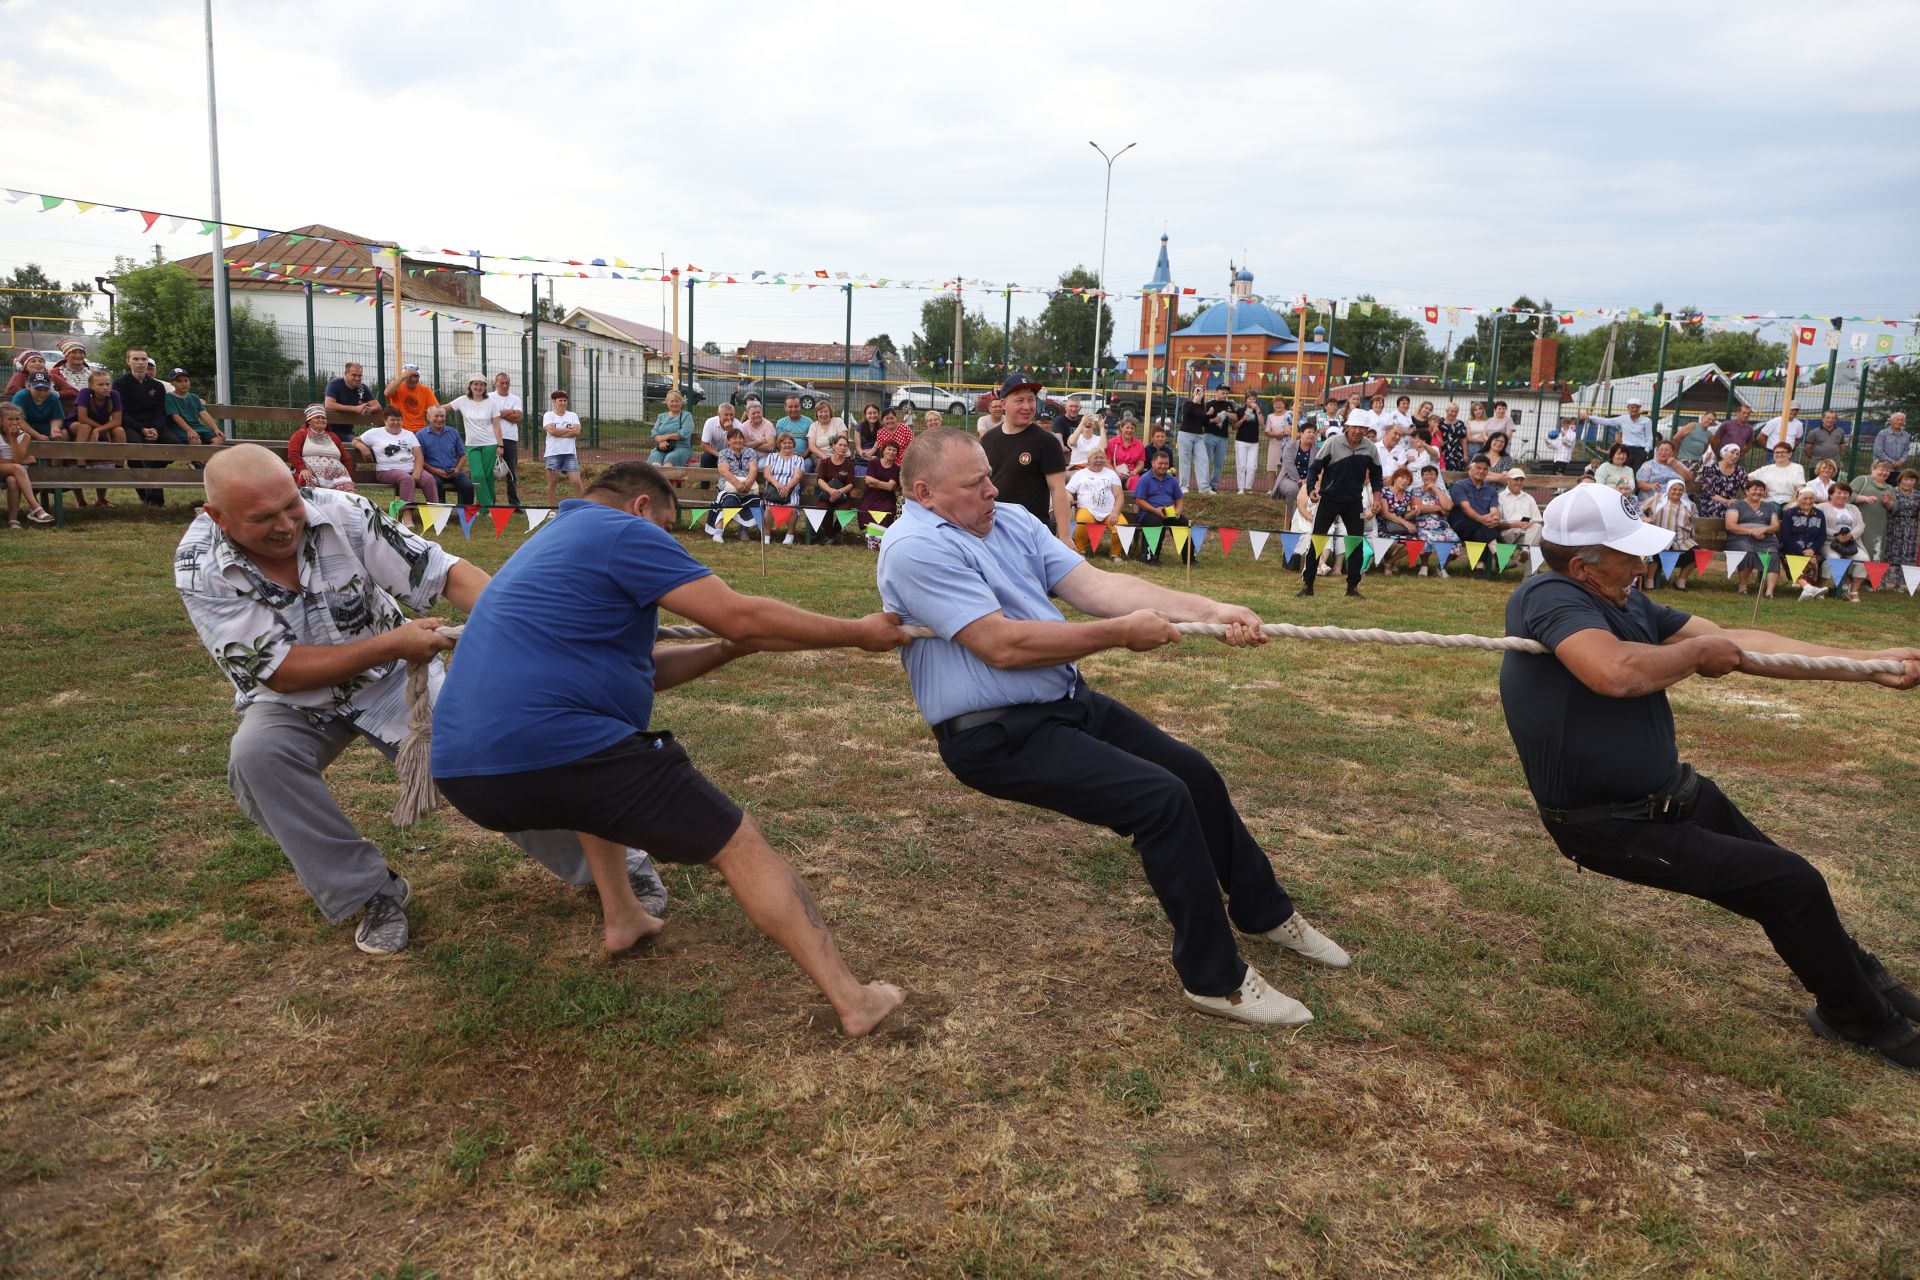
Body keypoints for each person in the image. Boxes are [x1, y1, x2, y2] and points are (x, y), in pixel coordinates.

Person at [876, 427, 1349, 1025]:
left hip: (1065, 700)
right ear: (924, 492)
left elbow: (1098, 587)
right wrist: (1118, 635)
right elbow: (1002, 646)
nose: (993, 490)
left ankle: (1265, 912)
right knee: (1160, 800)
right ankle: (1216, 981)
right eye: (976, 484)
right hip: (993, 736)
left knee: (1192, 773)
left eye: (990, 476)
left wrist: (1211, 610)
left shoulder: (1012, 520)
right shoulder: (914, 548)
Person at [428, 458, 909, 1032]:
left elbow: (646, 672)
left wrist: (727, 650)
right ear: (641, 508)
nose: (667, 549)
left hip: (467, 772)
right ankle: (855, 1002)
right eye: (667, 530)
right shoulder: (623, 531)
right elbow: (741, 614)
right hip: (552, 745)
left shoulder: (549, 544)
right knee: (737, 842)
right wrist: (859, 633)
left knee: (599, 774)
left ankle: (623, 916)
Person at [177, 444, 672, 957]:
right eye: (263, 518)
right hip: (296, 698)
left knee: (488, 762)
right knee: (257, 760)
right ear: (217, 516)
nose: (286, 524)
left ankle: (618, 869)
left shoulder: (343, 511)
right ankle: (369, 893)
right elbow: (277, 672)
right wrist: (394, 642)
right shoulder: (200, 567)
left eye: (291, 505)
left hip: (395, 681)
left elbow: (441, 572)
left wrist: (523, 619)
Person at [1499, 482, 1920, 1071]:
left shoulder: (1627, 602)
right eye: (1630, 554)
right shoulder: (1549, 595)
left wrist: (1864, 666)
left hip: (1673, 796)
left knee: (1792, 889)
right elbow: (1612, 672)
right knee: (1791, 883)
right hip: (1611, 825)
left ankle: (1867, 984)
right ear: (1581, 565)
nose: (1645, 563)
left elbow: (1740, 642)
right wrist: (1698, 658)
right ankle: (1858, 1016)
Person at [980, 373, 1071, 545]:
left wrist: (1065, 536)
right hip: (994, 528)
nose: (1027, 406)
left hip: (1031, 532)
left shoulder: (1047, 442)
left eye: (1031, 400)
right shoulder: (988, 439)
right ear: (1003, 403)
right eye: (1020, 400)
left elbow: (1058, 489)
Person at [1299, 414, 1382, 598]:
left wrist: (1376, 498)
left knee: (1355, 543)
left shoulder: (1370, 448)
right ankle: (1308, 586)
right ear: (1347, 426)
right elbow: (1314, 468)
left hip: (1354, 502)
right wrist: (1312, 489)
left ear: (1366, 430)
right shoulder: (1333, 442)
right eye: (1355, 427)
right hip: (1329, 499)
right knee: (1317, 541)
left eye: (1362, 428)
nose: (1358, 431)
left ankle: (1352, 588)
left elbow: (1377, 475)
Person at [353, 407, 437, 506]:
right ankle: (406, 515)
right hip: (386, 470)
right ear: (385, 420)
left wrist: (417, 472)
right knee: (406, 479)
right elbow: (356, 440)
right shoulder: (375, 433)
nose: (396, 422)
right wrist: (363, 448)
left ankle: (435, 513)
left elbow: (419, 456)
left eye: (398, 419)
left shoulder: (409, 434)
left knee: (429, 479)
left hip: (410, 469)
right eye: (392, 419)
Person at [69, 370, 124, 508]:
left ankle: (119, 465)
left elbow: (117, 421)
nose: (105, 387)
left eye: (107, 384)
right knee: (85, 427)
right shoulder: (85, 393)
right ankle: (80, 463)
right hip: (77, 425)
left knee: (119, 430)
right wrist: (98, 429)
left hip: (101, 427)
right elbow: (82, 418)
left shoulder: (114, 395)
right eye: (100, 384)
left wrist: (100, 430)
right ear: (91, 385)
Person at [445, 377, 502, 508]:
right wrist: (428, 409)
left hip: (490, 443)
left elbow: (497, 425)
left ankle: (484, 510)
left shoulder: (491, 403)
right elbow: (443, 408)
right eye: (475, 384)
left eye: (482, 385)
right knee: (477, 475)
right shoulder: (462, 400)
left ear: (485, 387)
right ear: (470, 386)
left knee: (488, 476)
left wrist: (500, 444)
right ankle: (489, 507)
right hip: (472, 444)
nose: (478, 387)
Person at [1447, 456, 1505, 578]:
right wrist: (1483, 519)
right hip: (1460, 524)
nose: (1481, 471)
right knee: (1483, 526)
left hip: (1481, 526)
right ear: (1471, 468)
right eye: (1478, 468)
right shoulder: (1459, 486)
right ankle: (1498, 556)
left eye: (1485, 469)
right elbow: (1465, 508)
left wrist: (1495, 519)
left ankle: (1479, 570)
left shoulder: (1492, 491)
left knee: (1482, 531)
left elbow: (1494, 510)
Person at [0, 404, 57, 527]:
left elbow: (17, 459)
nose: (14, 422)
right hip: (8, 469)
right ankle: (36, 508)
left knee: (12, 480)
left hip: (15, 472)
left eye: (17, 419)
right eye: (10, 419)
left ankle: (13, 520)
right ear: (1, 421)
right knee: (18, 467)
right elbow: (18, 462)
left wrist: (13, 439)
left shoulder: (25, 436)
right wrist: (23, 461)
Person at [1724, 479, 1782, 598]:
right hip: (1739, 538)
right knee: (1748, 551)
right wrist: (1751, 532)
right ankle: (1743, 586)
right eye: (1754, 489)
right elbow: (1730, 525)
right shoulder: (1736, 505)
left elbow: (1775, 525)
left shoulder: (1770, 507)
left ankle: (1769, 592)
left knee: (1773, 554)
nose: (1758, 492)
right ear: (1747, 491)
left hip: (1765, 539)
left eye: (1761, 490)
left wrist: (1763, 530)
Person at [1065, 444, 1126, 556]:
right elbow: (1067, 491)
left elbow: (1119, 496)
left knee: (1122, 525)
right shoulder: (1080, 474)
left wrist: (1115, 512)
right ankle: (1080, 551)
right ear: (1089, 460)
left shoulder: (1111, 474)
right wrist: (1068, 496)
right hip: (1087, 509)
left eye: (1101, 457)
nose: (1099, 460)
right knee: (1082, 522)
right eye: (1095, 458)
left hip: (1109, 511)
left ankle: (1116, 554)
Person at [1130, 447, 1187, 566]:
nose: (1163, 466)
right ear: (1153, 463)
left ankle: (1189, 558)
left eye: (1166, 464)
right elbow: (1139, 500)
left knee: (1184, 522)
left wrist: (1178, 511)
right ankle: (1152, 557)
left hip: (1169, 512)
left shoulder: (1171, 480)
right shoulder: (1144, 479)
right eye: (1160, 463)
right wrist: (1155, 510)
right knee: (1156, 522)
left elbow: (1179, 498)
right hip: (1148, 513)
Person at [287, 404, 357, 492]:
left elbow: (346, 458)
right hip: (310, 474)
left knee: (347, 495)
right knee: (307, 489)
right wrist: (302, 469)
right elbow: (293, 454)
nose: (321, 420)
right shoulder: (300, 434)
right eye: (317, 417)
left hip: (336, 477)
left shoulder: (333, 436)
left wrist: (348, 477)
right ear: (309, 421)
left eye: (323, 418)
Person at [1644, 478, 1698, 590]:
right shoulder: (1656, 499)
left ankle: (1680, 581)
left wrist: (1693, 537)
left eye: (1680, 490)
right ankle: (1649, 580)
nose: (1677, 492)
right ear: (1668, 489)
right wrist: (1645, 518)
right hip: (1659, 537)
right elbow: (1639, 510)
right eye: (1674, 489)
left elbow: (1692, 523)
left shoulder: (1689, 505)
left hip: (1682, 539)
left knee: (1698, 554)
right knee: (1654, 553)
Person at [1820, 481, 1869, 602]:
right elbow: (1821, 526)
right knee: (1833, 559)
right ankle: (1821, 588)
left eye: (1846, 493)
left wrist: (1850, 535)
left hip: (1851, 543)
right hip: (1829, 542)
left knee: (1864, 560)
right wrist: (1837, 535)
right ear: (1831, 494)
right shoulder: (1821, 507)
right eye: (1839, 492)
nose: (1842, 495)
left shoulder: (1854, 508)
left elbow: (1861, 525)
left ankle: (1853, 590)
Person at [710, 427, 760, 542]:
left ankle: (743, 531)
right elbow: (724, 471)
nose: (738, 440)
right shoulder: (723, 453)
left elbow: (753, 470)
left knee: (754, 500)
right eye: (734, 438)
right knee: (730, 500)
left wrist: (746, 485)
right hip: (728, 488)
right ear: (728, 441)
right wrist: (737, 484)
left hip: (747, 488)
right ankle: (718, 533)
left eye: (741, 438)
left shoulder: (751, 452)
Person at [419, 406, 474, 508]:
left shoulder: (453, 433)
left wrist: (457, 469)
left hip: (453, 471)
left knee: (468, 486)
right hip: (432, 472)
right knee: (436, 484)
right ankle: (438, 515)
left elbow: (462, 455)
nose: (440, 419)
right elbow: (419, 460)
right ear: (428, 416)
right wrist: (434, 470)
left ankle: (465, 516)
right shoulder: (421, 435)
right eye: (436, 416)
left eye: (442, 416)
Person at [1779, 487, 1829, 599]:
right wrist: (1802, 553)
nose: (1808, 501)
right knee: (1795, 560)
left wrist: (1812, 550)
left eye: (1811, 498)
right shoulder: (1789, 513)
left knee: (1813, 560)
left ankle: (1807, 590)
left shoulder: (1820, 514)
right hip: (1791, 549)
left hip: (1812, 549)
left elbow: (1822, 536)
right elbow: (1785, 536)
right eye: (1805, 498)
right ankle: (1809, 588)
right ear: (1798, 498)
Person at [761, 431, 806, 542]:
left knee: (791, 509)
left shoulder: (799, 459)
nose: (787, 445)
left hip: (791, 492)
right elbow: (767, 474)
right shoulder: (772, 456)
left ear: (793, 444)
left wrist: (787, 488)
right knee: (769, 510)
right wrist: (778, 485)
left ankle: (789, 536)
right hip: (773, 490)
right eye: (784, 442)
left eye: (790, 442)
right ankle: (766, 537)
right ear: (779, 445)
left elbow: (798, 476)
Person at [488, 372, 525, 507]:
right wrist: (508, 411)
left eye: (507, 383)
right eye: (501, 382)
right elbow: (488, 416)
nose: (504, 385)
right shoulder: (489, 397)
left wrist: (498, 413)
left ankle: (514, 504)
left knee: (511, 472)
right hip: (491, 439)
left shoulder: (515, 398)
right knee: (490, 471)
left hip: (510, 438)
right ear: (496, 383)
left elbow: (518, 418)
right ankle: (490, 502)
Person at [1496, 467, 1543, 572]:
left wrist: (1529, 524)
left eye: (1521, 480)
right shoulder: (1500, 497)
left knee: (1537, 527)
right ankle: (1530, 576)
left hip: (1527, 531)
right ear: (1508, 480)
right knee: (1535, 542)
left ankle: (1525, 551)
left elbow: (1538, 520)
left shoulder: (1529, 498)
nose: (1519, 482)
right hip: (1508, 533)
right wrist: (1515, 525)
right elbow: (1497, 523)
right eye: (1516, 479)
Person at [542, 390, 585, 504]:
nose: (563, 403)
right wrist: (567, 430)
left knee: (576, 481)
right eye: (560, 400)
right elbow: (551, 431)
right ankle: (552, 509)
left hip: (569, 454)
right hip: (553, 453)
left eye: (565, 400)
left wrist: (558, 432)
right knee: (553, 481)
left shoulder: (572, 415)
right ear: (554, 402)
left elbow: (576, 431)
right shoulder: (548, 415)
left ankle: (581, 507)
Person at [1851, 457, 1898, 560]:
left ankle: (1872, 574)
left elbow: (1894, 508)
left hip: (1878, 526)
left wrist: (1888, 503)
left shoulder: (1889, 488)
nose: (1884, 473)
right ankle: (1851, 572)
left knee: (1875, 551)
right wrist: (1863, 498)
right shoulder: (1862, 480)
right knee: (1858, 551)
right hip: (1860, 522)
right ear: (1873, 469)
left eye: (1887, 471)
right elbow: (1847, 495)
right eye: (1881, 469)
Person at [1410, 464, 1453, 577]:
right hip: (1423, 523)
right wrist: (1439, 508)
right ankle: (1424, 565)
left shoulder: (1442, 491)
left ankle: (1441, 567)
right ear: (1422, 476)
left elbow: (1448, 507)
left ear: (1437, 476)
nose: (1429, 476)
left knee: (1454, 541)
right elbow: (1419, 507)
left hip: (1441, 524)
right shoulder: (1416, 491)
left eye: (1432, 474)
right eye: (1426, 474)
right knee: (1424, 537)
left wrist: (1436, 490)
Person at [858, 439, 901, 550]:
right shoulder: (874, 462)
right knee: (865, 508)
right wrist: (883, 484)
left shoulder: (896, 468)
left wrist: (875, 482)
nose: (891, 452)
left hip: (887, 498)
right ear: (883, 450)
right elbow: (868, 481)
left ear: (897, 453)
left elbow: (891, 487)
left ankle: (882, 538)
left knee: (887, 511)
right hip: (871, 496)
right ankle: (870, 537)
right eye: (889, 449)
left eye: (894, 450)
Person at [1591, 397, 1655, 471]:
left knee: (1638, 473)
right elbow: (1606, 421)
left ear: (1640, 408)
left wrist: (1646, 451)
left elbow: (1649, 437)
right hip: (1626, 449)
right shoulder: (1623, 419)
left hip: (1640, 451)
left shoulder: (1646, 421)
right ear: (1628, 408)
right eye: (1632, 407)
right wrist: (1589, 417)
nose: (1634, 409)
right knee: (1624, 470)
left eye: (1637, 407)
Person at [165, 369, 226, 445]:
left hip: (197, 427)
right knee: (195, 441)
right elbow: (175, 416)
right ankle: (199, 455)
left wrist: (216, 429)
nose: (184, 384)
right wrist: (189, 430)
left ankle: (205, 456)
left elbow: (203, 413)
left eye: (186, 380)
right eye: (179, 381)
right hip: (180, 429)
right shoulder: (169, 397)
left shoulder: (194, 397)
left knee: (220, 438)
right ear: (172, 383)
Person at [1375, 468, 1419, 573]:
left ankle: (1389, 562)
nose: (1405, 481)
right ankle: (1390, 563)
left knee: (1415, 543)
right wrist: (1405, 523)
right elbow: (1385, 514)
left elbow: (1406, 515)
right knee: (1392, 542)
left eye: (1408, 479)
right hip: (1385, 526)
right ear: (1394, 478)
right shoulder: (1384, 491)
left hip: (1400, 527)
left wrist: (1412, 513)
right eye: (1402, 478)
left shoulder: (1408, 495)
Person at [815, 436, 859, 540]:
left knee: (845, 510)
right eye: (840, 445)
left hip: (842, 497)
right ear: (834, 446)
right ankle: (831, 535)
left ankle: (831, 534)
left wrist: (838, 492)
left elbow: (850, 484)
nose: (843, 448)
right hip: (827, 495)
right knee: (822, 508)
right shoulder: (825, 462)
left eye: (845, 446)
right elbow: (820, 479)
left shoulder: (849, 464)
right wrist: (830, 491)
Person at [323, 362, 382, 437]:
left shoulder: (362, 388)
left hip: (347, 432)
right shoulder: (334, 384)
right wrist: (355, 409)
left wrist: (368, 409)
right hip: (327, 430)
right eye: (354, 375)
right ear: (346, 374)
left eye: (360, 375)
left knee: (357, 444)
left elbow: (378, 407)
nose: (357, 378)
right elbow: (329, 405)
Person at [1696, 444, 1749, 523]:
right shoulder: (1712, 468)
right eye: (1732, 452)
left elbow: (1747, 487)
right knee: (1723, 507)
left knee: (1743, 509)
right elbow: (1707, 491)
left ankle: (1738, 532)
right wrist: (1726, 501)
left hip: (1731, 503)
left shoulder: (1740, 471)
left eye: (1737, 454)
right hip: (1710, 502)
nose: (1735, 456)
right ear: (1724, 453)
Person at [382, 364, 439, 434]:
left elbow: (436, 409)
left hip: (420, 430)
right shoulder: (397, 387)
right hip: (400, 429)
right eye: (410, 376)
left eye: (416, 376)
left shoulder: (426, 390)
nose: (413, 379)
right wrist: (402, 376)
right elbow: (387, 393)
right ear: (404, 377)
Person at [1751, 442, 1807, 508]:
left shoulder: (1797, 468)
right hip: (1770, 500)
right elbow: (1748, 477)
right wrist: (1760, 485)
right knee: (1772, 510)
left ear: (1790, 454)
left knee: (1791, 511)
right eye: (1777, 452)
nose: (1779, 454)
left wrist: (1791, 503)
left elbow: (1800, 489)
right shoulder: (1766, 469)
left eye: (1783, 452)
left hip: (1790, 500)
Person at [647, 389, 694, 466]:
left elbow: (684, 433)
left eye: (677, 401)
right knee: (654, 462)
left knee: (669, 461)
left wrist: (665, 437)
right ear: (667, 402)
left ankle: (667, 478)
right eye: (672, 401)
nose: (674, 404)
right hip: (662, 447)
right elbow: (654, 432)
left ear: (681, 402)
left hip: (680, 447)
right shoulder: (661, 416)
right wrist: (661, 441)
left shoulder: (686, 416)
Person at [1175, 391, 1210, 495]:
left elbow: (1203, 423)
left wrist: (1208, 415)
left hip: (1199, 436)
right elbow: (1186, 416)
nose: (1199, 393)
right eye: (1197, 391)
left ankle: (1204, 488)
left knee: (1203, 460)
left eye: (1201, 391)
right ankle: (1184, 486)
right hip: (1185, 434)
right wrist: (1194, 401)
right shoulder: (1187, 404)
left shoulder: (1203, 407)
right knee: (1185, 460)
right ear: (1193, 394)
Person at [1887, 469, 1920, 572]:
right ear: (1900, 479)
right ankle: (1888, 579)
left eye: (1912, 480)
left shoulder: (1918, 495)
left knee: (1909, 552)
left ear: (1916, 481)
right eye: (1906, 479)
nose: (1908, 482)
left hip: (1911, 528)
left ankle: (1904, 581)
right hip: (1893, 525)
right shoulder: (1892, 491)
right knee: (1892, 551)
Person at [1232, 393, 1263, 493]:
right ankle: (1241, 488)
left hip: (1254, 442)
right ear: (1246, 400)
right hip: (1241, 441)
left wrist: (1257, 409)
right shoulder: (1240, 411)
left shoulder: (1257, 410)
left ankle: (1248, 487)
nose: (1252, 401)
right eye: (1250, 399)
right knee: (1241, 465)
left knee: (1252, 466)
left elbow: (1262, 423)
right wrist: (1243, 419)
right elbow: (1234, 427)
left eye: (1254, 399)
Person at [805, 399, 845, 474]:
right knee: (822, 463)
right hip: (821, 457)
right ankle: (818, 485)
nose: (823, 414)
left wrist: (834, 458)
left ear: (830, 412)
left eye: (826, 411)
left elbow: (843, 441)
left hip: (839, 456)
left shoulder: (838, 422)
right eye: (820, 412)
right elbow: (812, 446)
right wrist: (826, 458)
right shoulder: (813, 426)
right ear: (817, 414)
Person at [1105, 415, 1145, 483]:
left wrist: (1135, 471)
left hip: (1131, 474)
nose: (1129, 430)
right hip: (1114, 473)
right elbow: (1107, 462)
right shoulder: (1111, 443)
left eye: (1132, 428)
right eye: (1127, 427)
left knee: (1134, 481)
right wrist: (1115, 473)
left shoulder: (1140, 445)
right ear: (1121, 427)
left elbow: (1141, 463)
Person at [699, 401, 737, 469]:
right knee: (706, 458)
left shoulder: (738, 425)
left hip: (732, 453)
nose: (729, 418)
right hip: (714, 452)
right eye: (726, 415)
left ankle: (731, 479)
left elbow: (737, 447)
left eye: (731, 415)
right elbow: (704, 445)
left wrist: (730, 432)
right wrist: (719, 455)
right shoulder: (710, 422)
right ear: (719, 415)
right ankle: (704, 479)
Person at [1263, 402, 1292, 474]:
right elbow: (1267, 431)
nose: (1278, 405)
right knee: (1272, 469)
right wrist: (1276, 435)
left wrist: (1283, 434)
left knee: (1284, 470)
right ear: (1273, 405)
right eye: (1276, 404)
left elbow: (1294, 426)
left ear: (1284, 404)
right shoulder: (1270, 416)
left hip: (1287, 445)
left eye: (1280, 403)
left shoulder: (1290, 413)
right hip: (1274, 446)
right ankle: (1271, 485)